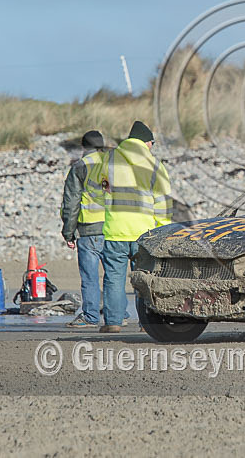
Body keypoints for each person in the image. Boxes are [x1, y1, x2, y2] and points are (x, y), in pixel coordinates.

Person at [97, 121, 172, 333]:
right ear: (146, 142)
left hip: (115, 230)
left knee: (113, 279)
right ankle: (145, 323)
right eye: (152, 143)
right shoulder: (154, 164)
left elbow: (102, 188)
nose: (152, 147)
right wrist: (163, 230)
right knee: (145, 280)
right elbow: (163, 201)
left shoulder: (109, 159)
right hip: (145, 233)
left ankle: (112, 322)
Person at [61, 131, 109, 328]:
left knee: (90, 277)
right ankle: (119, 314)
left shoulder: (80, 167)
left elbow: (71, 202)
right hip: (114, 228)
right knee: (113, 276)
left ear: (83, 147)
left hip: (89, 230)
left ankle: (90, 316)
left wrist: (68, 232)